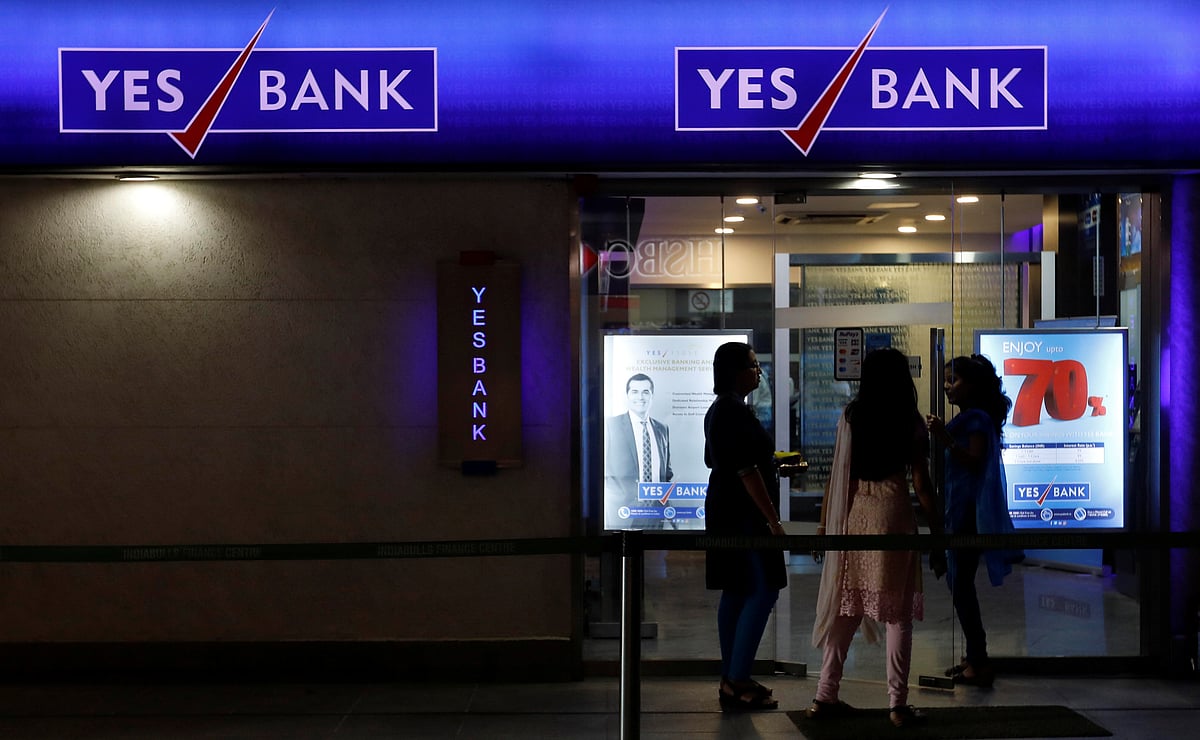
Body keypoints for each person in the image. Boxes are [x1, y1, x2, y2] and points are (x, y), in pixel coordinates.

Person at [808, 348, 940, 729]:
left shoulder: (852, 416)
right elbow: (922, 483)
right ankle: (897, 705)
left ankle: (824, 695)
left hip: (857, 515)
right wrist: (938, 531)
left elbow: (840, 477)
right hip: (894, 513)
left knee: (848, 609)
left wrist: (825, 527)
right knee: (897, 614)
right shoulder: (909, 420)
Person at [925, 354, 1024, 688]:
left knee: (961, 585)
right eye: (946, 380)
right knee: (959, 584)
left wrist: (944, 436)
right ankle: (972, 656)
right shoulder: (971, 417)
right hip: (958, 508)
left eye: (953, 380)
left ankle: (979, 660)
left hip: (968, 514)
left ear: (972, 384)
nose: (947, 387)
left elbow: (973, 459)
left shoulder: (977, 419)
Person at [703, 342, 787, 712]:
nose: (759, 372)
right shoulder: (732, 411)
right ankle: (736, 679)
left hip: (727, 511)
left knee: (736, 591)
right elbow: (746, 470)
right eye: (754, 365)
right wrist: (773, 519)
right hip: (742, 516)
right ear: (736, 371)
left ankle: (733, 676)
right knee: (762, 589)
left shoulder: (722, 410)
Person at [604, 373, 673, 529]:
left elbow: (667, 473)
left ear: (652, 396)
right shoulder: (610, 426)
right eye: (634, 391)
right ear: (627, 395)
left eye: (645, 392)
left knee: (655, 553)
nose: (640, 397)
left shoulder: (662, 429)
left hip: (656, 515)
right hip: (624, 515)